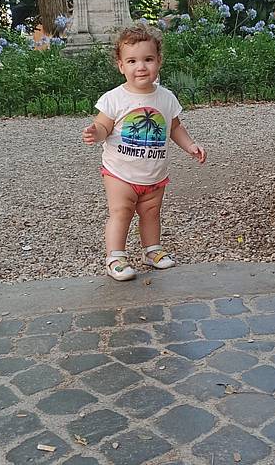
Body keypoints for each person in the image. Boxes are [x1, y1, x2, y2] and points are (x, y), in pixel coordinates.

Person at [82, 23, 206, 281]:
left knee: (151, 212)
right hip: (120, 173)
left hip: (154, 174)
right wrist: (97, 132)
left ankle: (152, 250)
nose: (140, 67)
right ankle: (115, 257)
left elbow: (174, 127)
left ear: (159, 61)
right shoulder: (114, 98)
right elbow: (104, 125)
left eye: (148, 59)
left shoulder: (166, 98)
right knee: (121, 212)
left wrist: (190, 145)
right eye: (132, 61)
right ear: (121, 66)